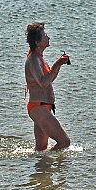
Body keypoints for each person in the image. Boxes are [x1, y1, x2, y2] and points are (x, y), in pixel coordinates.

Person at [25, 22, 72, 152]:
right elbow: (43, 82)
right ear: (38, 42)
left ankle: (41, 170)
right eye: (45, 35)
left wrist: (59, 65)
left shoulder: (40, 58)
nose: (48, 37)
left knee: (40, 149)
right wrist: (57, 64)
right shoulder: (33, 59)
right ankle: (56, 169)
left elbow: (49, 79)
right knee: (64, 142)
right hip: (38, 108)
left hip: (43, 107)